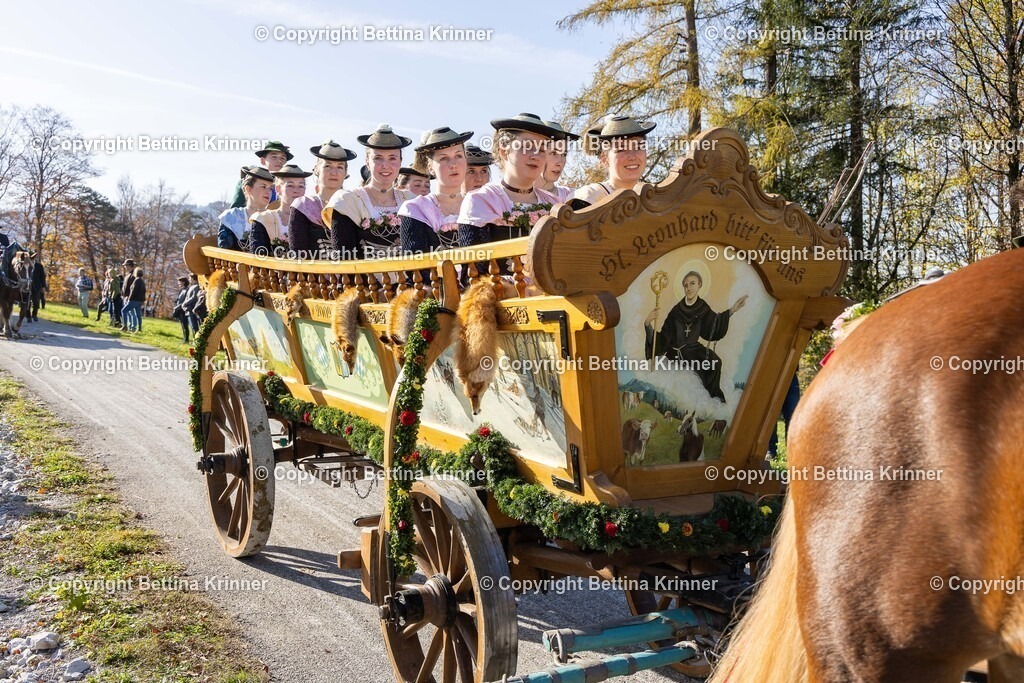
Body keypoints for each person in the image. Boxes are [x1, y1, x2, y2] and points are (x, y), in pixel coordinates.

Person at [457, 113, 560, 250]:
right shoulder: (480, 201)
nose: (536, 155)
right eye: (527, 146)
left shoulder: (553, 203)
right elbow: (474, 267)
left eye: (541, 149)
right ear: (504, 151)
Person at [644, 271, 747, 402]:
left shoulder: (703, 308)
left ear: (699, 285)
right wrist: (647, 324)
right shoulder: (676, 311)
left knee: (715, 362)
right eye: (686, 285)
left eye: (692, 283)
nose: (689, 288)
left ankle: (714, 400)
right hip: (675, 353)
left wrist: (731, 311)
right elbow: (664, 337)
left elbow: (714, 324)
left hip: (693, 350)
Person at [324, 124, 417, 259]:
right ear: (367, 162)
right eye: (378, 158)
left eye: (392, 158)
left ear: (401, 161)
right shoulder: (347, 201)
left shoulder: (411, 201)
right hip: (364, 278)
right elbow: (345, 258)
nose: (385, 165)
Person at [570, 115, 656, 209]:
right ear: (605, 159)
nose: (632, 156)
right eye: (621, 149)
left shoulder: (658, 197)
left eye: (639, 147)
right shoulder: (589, 198)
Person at [289, 140, 355, 259]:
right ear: (316, 169)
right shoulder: (303, 206)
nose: (334, 172)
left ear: (346, 173)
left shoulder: (354, 204)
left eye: (340, 167)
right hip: (312, 275)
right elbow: (298, 255)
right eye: (327, 166)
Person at [249, 163, 312, 256]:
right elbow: (258, 256)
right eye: (290, 185)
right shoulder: (263, 219)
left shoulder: (312, 219)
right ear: (278, 189)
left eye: (301, 186)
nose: (296, 190)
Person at [218, 166, 274, 251]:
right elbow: (225, 253)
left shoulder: (276, 218)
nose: (268, 192)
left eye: (270, 188)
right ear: (248, 189)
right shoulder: (231, 217)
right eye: (263, 186)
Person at [229, 141, 291, 208]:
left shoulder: (289, 186)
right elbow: (236, 210)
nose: (279, 161)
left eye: (282, 158)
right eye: (274, 157)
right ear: (263, 161)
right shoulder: (248, 181)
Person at [535, 120, 579, 203]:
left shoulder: (572, 197)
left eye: (564, 154)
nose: (560, 162)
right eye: (553, 153)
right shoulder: (519, 198)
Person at [767, 374, 801, 459]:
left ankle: (793, 451)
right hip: (770, 373)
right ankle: (770, 449)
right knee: (769, 415)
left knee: (793, 415)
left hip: (790, 374)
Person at [123, 267, 146, 333]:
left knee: (124, 310)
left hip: (134, 300)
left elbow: (133, 291)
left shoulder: (136, 280)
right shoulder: (142, 281)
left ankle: (125, 326)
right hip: (140, 300)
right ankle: (139, 328)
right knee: (138, 314)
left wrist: (129, 299)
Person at [172, 276, 191, 342]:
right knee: (182, 325)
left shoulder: (187, 290)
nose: (178, 283)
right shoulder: (181, 290)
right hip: (179, 309)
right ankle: (184, 338)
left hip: (183, 309)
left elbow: (185, 300)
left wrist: (178, 306)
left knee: (185, 325)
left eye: (179, 282)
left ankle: (186, 339)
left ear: (183, 282)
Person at [28, 254, 47, 322]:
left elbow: (42, 277)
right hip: (27, 285)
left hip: (37, 286)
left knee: (36, 301)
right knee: (27, 302)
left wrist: (43, 286)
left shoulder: (39, 266)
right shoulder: (26, 264)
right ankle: (28, 316)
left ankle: (34, 314)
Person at [119, 259, 136, 331]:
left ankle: (132, 327)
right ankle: (129, 326)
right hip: (125, 296)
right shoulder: (128, 274)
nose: (125, 267)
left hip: (130, 297)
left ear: (129, 265)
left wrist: (129, 296)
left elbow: (132, 287)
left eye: (126, 265)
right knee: (128, 313)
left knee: (131, 312)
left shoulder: (133, 275)